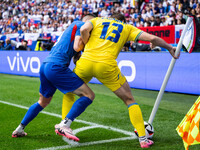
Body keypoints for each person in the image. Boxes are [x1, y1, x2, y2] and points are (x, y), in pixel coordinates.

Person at [60, 12, 179, 148]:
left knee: (70, 91)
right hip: (106, 66)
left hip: (85, 62)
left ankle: (65, 124)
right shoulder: (127, 28)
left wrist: (86, 41)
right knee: (129, 100)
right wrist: (169, 47)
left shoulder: (97, 20)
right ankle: (143, 139)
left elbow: (83, 29)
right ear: (123, 20)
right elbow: (152, 37)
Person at [11, 14, 95, 142]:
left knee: (43, 102)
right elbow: (77, 47)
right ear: (89, 21)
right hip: (56, 66)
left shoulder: (71, 29)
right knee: (88, 95)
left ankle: (20, 128)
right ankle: (64, 125)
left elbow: (75, 55)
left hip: (46, 65)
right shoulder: (81, 25)